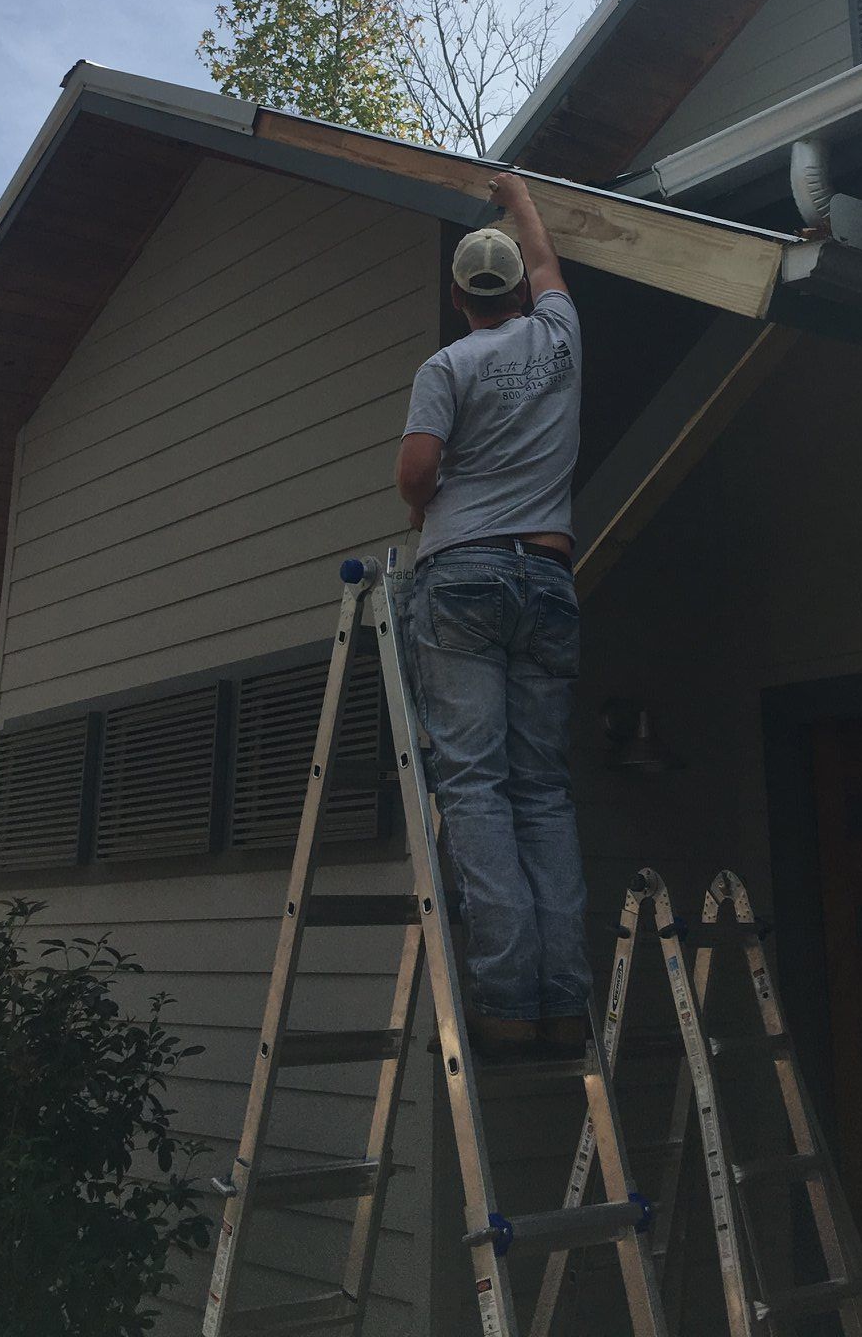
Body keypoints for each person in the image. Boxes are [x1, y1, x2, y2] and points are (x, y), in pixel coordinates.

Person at [395, 171, 590, 1059]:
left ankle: (509, 1002)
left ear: (457, 296)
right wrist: (516, 195)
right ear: (516, 289)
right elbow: (548, 257)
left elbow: (417, 468)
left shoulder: (447, 365)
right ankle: (564, 998)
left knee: (473, 783)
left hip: (464, 576)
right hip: (548, 577)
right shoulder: (559, 334)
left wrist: (423, 515)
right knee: (540, 790)